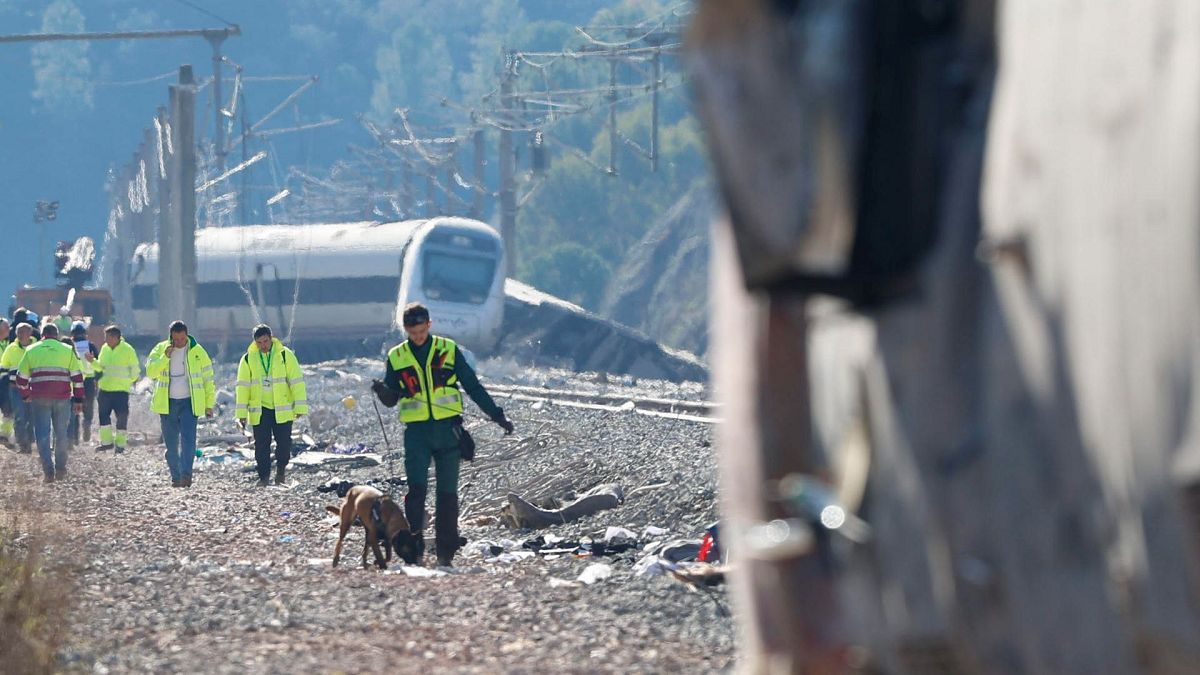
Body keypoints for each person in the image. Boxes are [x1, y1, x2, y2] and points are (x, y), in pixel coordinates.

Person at [375, 302, 514, 567]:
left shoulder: (447, 350)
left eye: (421, 330)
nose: (417, 336)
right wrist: (384, 393)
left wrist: (497, 415)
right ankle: (413, 551)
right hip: (417, 434)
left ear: (429, 324)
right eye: (412, 332)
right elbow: (392, 398)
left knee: (447, 495)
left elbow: (472, 385)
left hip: (449, 431)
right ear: (405, 329)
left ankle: (445, 553)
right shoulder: (397, 356)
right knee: (416, 492)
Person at [235, 324, 308, 486]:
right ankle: (264, 477)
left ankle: (281, 471)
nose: (263, 345)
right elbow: (242, 388)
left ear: (271, 338)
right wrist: (241, 414)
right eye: (259, 342)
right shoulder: (248, 359)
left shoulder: (284, 355)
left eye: (266, 341)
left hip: (282, 408)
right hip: (260, 410)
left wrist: (300, 407)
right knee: (261, 445)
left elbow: (296, 382)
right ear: (254, 342)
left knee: (284, 442)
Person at [145, 321, 215, 488]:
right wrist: (165, 357)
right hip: (167, 404)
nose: (179, 342)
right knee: (171, 445)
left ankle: (186, 475)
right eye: (175, 339)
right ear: (170, 337)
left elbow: (208, 379)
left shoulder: (197, 352)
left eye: (182, 338)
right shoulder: (161, 349)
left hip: (189, 403)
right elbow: (150, 372)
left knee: (188, 441)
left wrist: (209, 404)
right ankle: (175, 476)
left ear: (187, 335)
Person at [15, 324, 84, 483]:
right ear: (57, 335)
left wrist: (26, 395)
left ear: (42, 336)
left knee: (42, 434)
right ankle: (60, 468)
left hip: (40, 398)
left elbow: (21, 379)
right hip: (63, 398)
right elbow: (77, 378)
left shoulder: (31, 350)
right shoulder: (67, 350)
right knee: (61, 434)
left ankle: (48, 471)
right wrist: (79, 399)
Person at [94, 325, 140, 454]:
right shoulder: (105, 348)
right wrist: (92, 361)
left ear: (115, 337)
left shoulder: (128, 350)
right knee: (103, 417)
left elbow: (135, 369)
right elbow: (100, 367)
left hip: (121, 391)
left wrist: (130, 382)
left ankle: (120, 445)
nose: (105, 340)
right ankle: (107, 443)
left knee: (121, 417)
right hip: (105, 389)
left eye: (107, 337)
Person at [1, 323, 36, 453]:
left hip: (33, 388)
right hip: (15, 388)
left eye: (24, 332)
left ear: (30, 333)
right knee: (19, 416)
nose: (21, 335)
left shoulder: (37, 347)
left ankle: (31, 441)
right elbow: (3, 367)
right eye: (19, 332)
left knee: (32, 416)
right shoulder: (11, 349)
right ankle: (23, 445)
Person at [67, 322, 99, 446]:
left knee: (74, 409)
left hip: (74, 381)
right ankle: (87, 427)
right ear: (85, 333)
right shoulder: (90, 345)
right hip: (89, 381)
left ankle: (75, 437)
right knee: (88, 408)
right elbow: (97, 362)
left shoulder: (70, 346)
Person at [0, 318, 10, 446]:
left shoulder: (10, 343)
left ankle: (4, 434)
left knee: (7, 409)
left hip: (6, 381)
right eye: (6, 328)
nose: (9, 330)